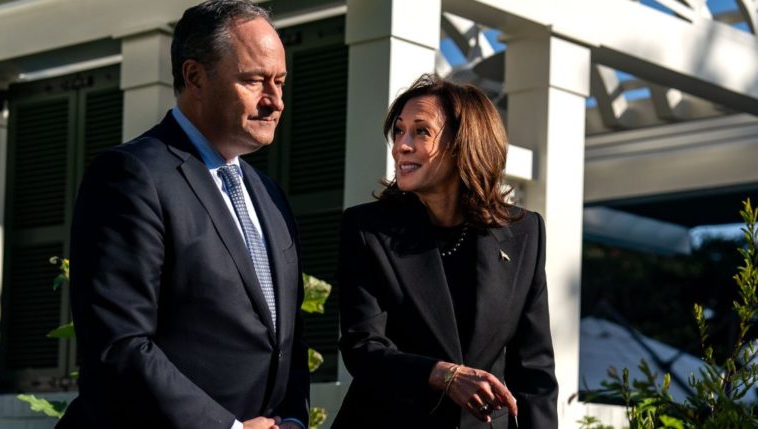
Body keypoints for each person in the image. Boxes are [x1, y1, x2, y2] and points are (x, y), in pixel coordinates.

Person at [56, 1, 308, 428]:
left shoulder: (269, 194)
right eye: (254, 81)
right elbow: (120, 344)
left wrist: (292, 421)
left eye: (280, 82)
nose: (275, 101)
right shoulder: (130, 176)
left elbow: (289, 338)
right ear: (195, 77)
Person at [333, 74, 558, 428]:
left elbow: (535, 373)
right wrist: (443, 374)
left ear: (463, 143)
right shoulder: (367, 228)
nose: (400, 146)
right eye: (399, 131)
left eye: (421, 132)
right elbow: (363, 348)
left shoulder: (524, 233)